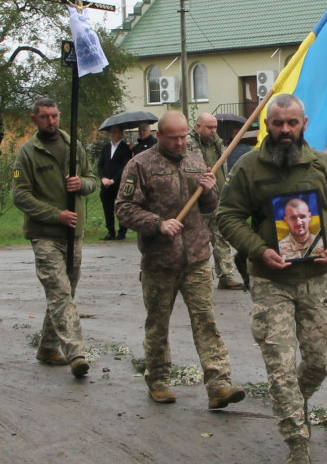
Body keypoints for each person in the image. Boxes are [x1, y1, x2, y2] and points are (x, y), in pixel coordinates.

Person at [217, 94, 327, 464]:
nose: (284, 130)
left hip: (315, 279)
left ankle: (292, 402)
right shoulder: (248, 167)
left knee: (318, 362)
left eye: (291, 123)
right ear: (266, 124)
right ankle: (297, 444)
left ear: (304, 123)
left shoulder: (322, 165)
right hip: (270, 282)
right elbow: (227, 216)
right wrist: (257, 250)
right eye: (277, 123)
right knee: (280, 369)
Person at [115, 110, 246, 410]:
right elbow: (123, 208)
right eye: (172, 137)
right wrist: (158, 223)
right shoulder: (140, 165)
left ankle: (219, 384)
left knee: (206, 322)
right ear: (159, 135)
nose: (179, 143)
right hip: (159, 261)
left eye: (183, 136)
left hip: (197, 259)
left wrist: (210, 190)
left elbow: (208, 207)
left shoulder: (195, 161)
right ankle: (159, 379)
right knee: (158, 324)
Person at [12, 96, 97, 378]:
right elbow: (20, 195)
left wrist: (81, 183)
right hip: (45, 235)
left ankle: (48, 347)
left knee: (65, 293)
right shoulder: (27, 153)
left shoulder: (74, 146)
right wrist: (55, 214)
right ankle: (76, 353)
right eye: (45, 116)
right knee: (60, 294)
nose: (51, 121)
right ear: (34, 119)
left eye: (55, 115)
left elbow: (92, 180)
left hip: (74, 233)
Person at [187, 112, 244, 290]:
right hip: (195, 199)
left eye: (215, 127)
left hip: (217, 196)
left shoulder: (218, 143)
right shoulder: (188, 144)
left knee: (221, 237)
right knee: (196, 239)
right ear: (198, 127)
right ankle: (191, 276)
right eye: (209, 127)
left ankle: (226, 275)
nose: (213, 131)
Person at [97, 125, 133, 240]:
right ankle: (110, 231)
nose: (113, 135)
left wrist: (114, 180)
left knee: (121, 207)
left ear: (120, 133)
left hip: (118, 184)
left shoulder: (125, 148)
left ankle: (122, 231)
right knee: (107, 208)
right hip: (106, 184)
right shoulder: (106, 147)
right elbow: (100, 164)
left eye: (115, 132)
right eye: (111, 132)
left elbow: (125, 166)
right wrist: (103, 178)